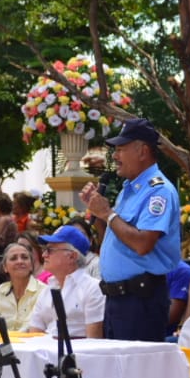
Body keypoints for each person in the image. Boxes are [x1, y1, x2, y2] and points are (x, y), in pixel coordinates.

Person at [79, 117, 182, 341]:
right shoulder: (131, 188)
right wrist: (97, 214)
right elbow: (114, 238)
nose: (115, 156)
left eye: (121, 149)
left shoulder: (158, 190)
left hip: (140, 300)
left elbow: (143, 244)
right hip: (118, 299)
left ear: (142, 151)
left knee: (136, 373)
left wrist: (108, 213)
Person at [25, 226, 105, 339]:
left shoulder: (93, 288)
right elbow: (34, 334)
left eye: (50, 250)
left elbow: (93, 342)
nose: (44, 255)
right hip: (46, 353)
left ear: (72, 256)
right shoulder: (47, 290)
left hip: (76, 355)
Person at [0, 241, 45, 332]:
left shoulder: (43, 291)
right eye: (13, 258)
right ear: (5, 267)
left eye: (24, 257)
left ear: (31, 266)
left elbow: (29, 328)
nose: (20, 261)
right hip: (5, 344)